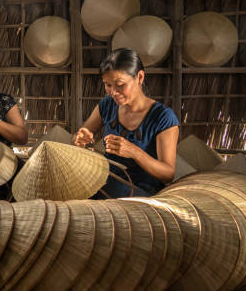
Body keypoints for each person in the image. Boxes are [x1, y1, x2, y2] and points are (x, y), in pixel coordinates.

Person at [72, 48, 179, 198]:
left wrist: (134, 152)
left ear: (140, 77)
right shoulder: (107, 105)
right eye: (108, 85)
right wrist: (79, 137)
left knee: (102, 189)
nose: (113, 92)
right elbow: (80, 134)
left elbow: (168, 174)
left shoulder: (163, 117)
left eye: (120, 84)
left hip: (140, 190)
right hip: (108, 181)